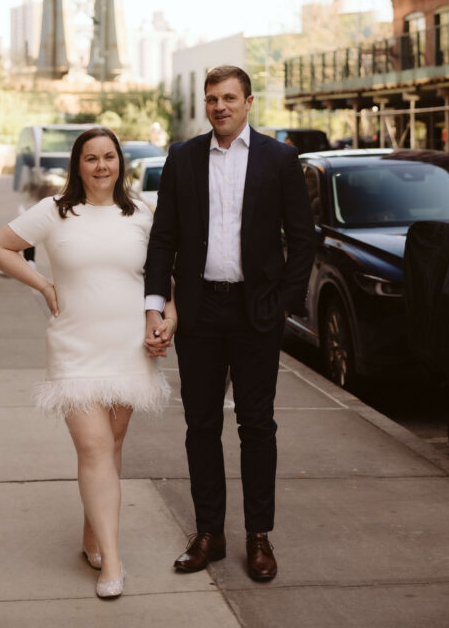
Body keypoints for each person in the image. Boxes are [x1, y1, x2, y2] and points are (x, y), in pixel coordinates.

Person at [0, 127, 173, 599]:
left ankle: (93, 535)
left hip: (128, 347)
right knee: (93, 447)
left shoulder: (142, 214)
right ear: (78, 164)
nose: (101, 166)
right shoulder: (55, 212)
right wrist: (44, 284)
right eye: (91, 158)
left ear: (120, 163)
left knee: (111, 445)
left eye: (109, 157)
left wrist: (168, 321)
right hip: (74, 347)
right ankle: (111, 561)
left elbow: (170, 276)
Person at [144, 65, 316, 581]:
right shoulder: (183, 158)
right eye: (212, 98)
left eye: (229, 98)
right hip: (200, 312)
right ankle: (209, 533)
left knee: (257, 426)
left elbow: (303, 238)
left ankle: (258, 536)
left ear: (248, 102)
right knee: (201, 426)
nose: (219, 106)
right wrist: (156, 304)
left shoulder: (279, 158)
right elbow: (163, 237)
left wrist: (283, 302)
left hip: (255, 311)